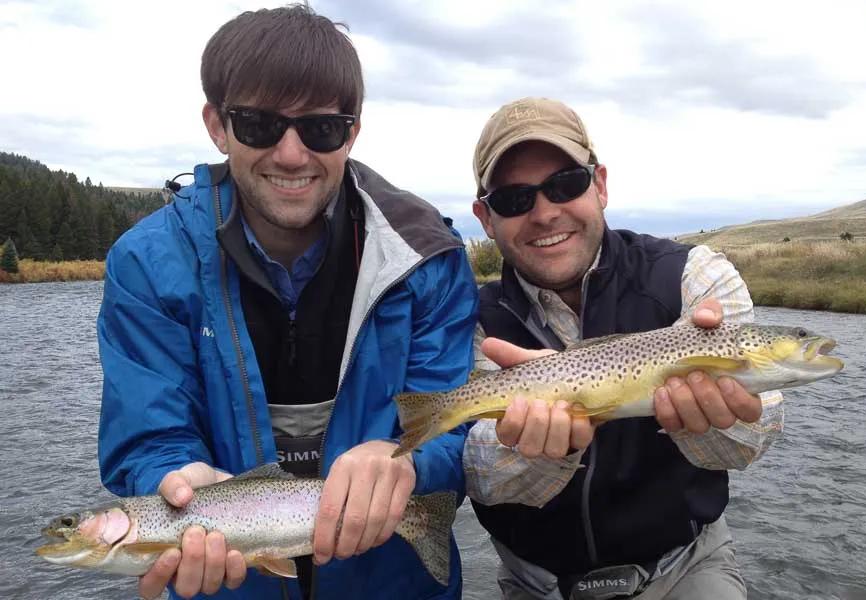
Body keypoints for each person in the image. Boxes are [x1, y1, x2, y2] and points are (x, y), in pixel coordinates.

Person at [97, 6, 477, 600]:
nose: (292, 154)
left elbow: (456, 422)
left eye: (321, 128)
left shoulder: (428, 257)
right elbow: (149, 434)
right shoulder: (145, 265)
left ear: (352, 131)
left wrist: (406, 462)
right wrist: (171, 479)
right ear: (217, 126)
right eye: (259, 125)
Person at [464, 97, 784, 600]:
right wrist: (533, 449)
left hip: (686, 568)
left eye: (565, 184)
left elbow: (752, 442)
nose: (545, 213)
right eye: (514, 200)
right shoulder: (472, 319)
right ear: (485, 218)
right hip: (535, 584)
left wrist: (714, 421)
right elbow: (477, 474)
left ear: (601, 185)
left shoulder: (693, 276)